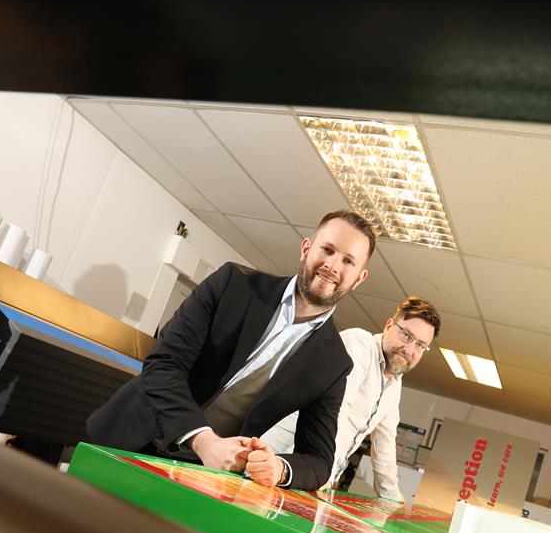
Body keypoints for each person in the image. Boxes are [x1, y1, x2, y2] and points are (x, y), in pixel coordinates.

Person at [86, 209, 374, 491]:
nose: (333, 266)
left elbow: (319, 460)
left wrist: (279, 468)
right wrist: (203, 439)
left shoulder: (335, 363)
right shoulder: (232, 283)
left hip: (198, 478)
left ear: (359, 277)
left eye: (348, 261)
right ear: (306, 249)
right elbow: (163, 364)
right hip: (128, 437)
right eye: (327, 250)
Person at [261, 296, 440, 502]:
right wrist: (322, 474)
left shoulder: (393, 385)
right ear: (389, 325)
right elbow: (337, 412)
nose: (409, 349)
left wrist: (393, 498)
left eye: (420, 345)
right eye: (406, 335)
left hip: (310, 476)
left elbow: (385, 445)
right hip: (281, 458)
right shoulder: (359, 344)